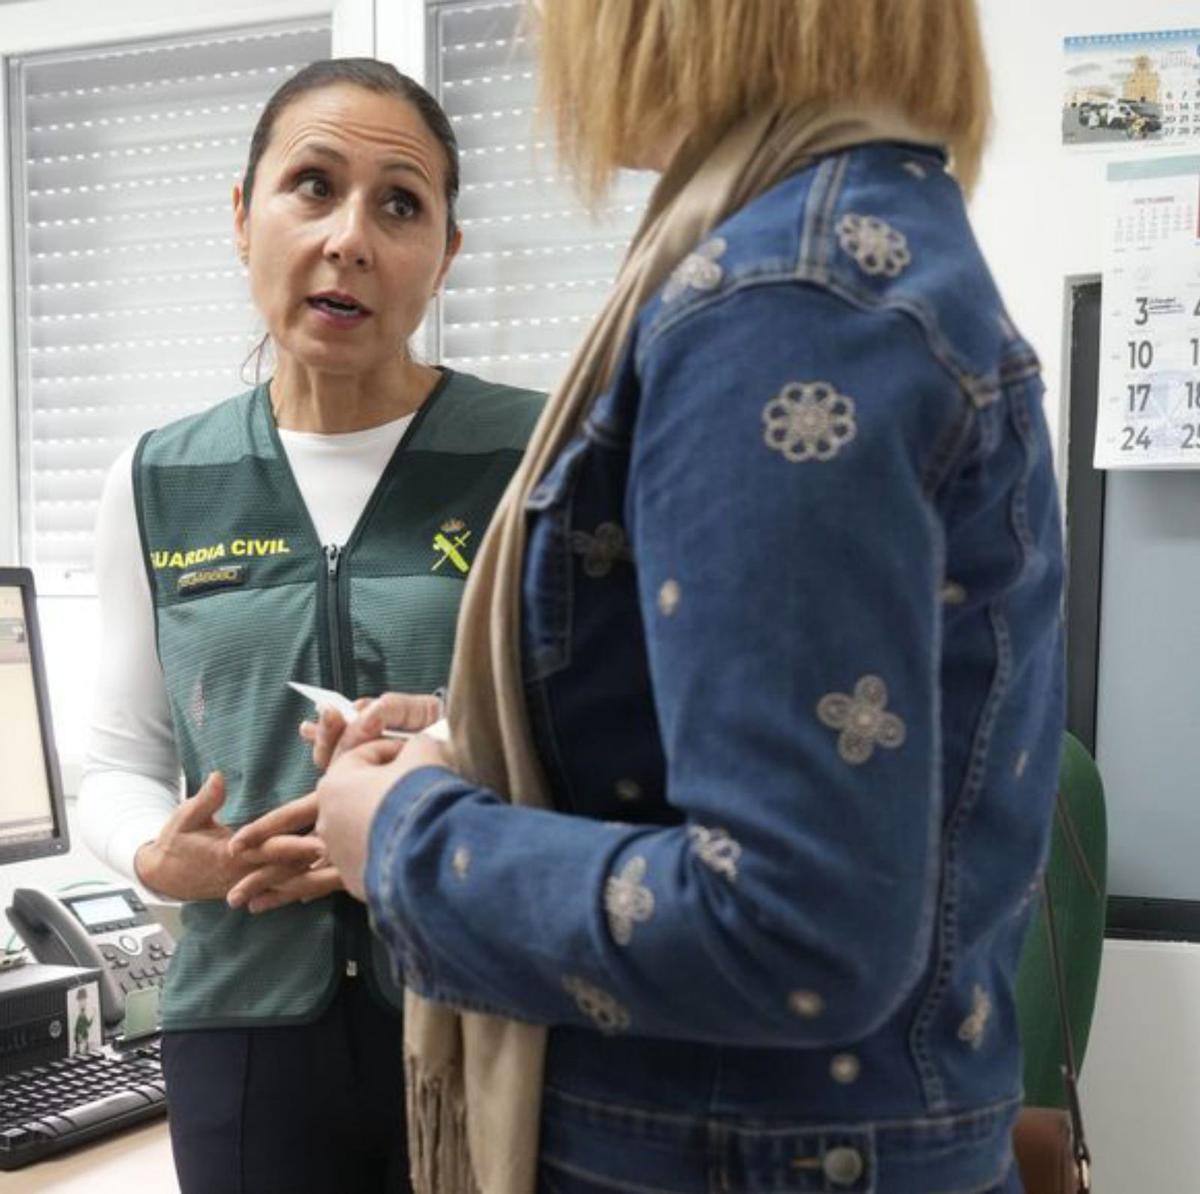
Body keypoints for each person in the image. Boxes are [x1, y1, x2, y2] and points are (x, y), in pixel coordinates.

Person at [242, 3, 1065, 1191]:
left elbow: (794, 924)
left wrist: (404, 840)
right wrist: (480, 747)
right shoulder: (849, 252)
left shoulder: (782, 299)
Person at [77, 58, 543, 1194]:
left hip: (480, 1004)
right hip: (240, 1028)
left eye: (400, 205)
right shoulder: (159, 477)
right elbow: (118, 756)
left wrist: (427, 781)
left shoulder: (535, 457)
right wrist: (160, 856)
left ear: (445, 253)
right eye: (314, 186)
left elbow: (593, 732)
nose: (350, 239)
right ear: (245, 217)